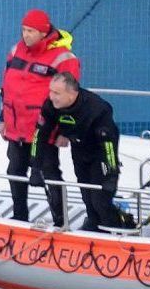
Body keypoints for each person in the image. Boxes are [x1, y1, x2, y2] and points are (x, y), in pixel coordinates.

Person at [0, 8, 80, 221]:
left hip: (43, 130)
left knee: (49, 174)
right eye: (24, 30)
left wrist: (64, 131)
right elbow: (6, 85)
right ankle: (19, 216)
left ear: (43, 33)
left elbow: (70, 98)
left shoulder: (63, 58)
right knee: (15, 170)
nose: (25, 35)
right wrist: (3, 119)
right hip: (16, 127)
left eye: (31, 31)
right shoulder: (17, 50)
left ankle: (60, 221)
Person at [31, 71, 126, 231]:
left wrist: (111, 174)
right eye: (50, 91)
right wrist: (35, 166)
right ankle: (93, 224)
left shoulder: (97, 108)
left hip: (100, 153)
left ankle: (113, 227)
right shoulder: (51, 106)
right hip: (79, 149)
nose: (51, 96)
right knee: (87, 196)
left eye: (56, 93)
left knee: (100, 199)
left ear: (72, 93)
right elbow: (39, 135)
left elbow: (109, 143)